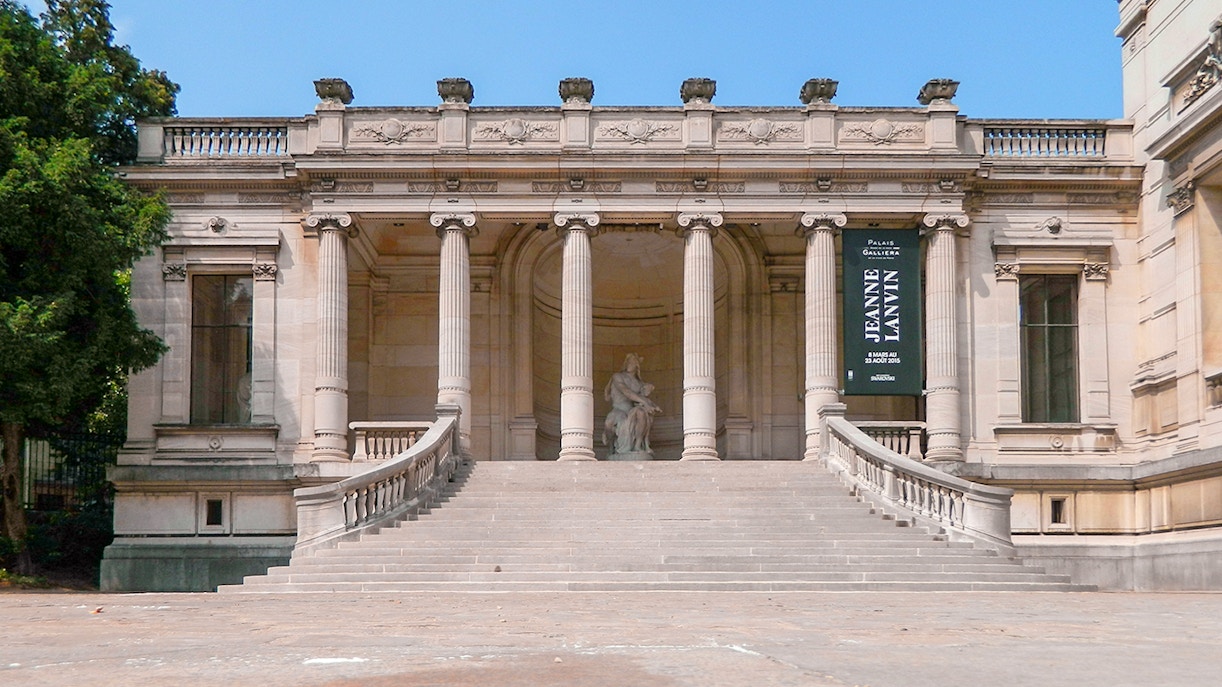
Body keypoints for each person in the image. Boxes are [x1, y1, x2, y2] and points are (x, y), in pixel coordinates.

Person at [603, 353, 661, 458]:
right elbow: (627, 392)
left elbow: (643, 398)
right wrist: (645, 402)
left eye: (633, 361)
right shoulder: (617, 377)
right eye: (629, 361)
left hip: (631, 410)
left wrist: (652, 404)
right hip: (619, 409)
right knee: (609, 423)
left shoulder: (639, 383)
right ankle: (611, 446)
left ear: (637, 365)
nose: (630, 363)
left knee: (641, 413)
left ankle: (638, 445)